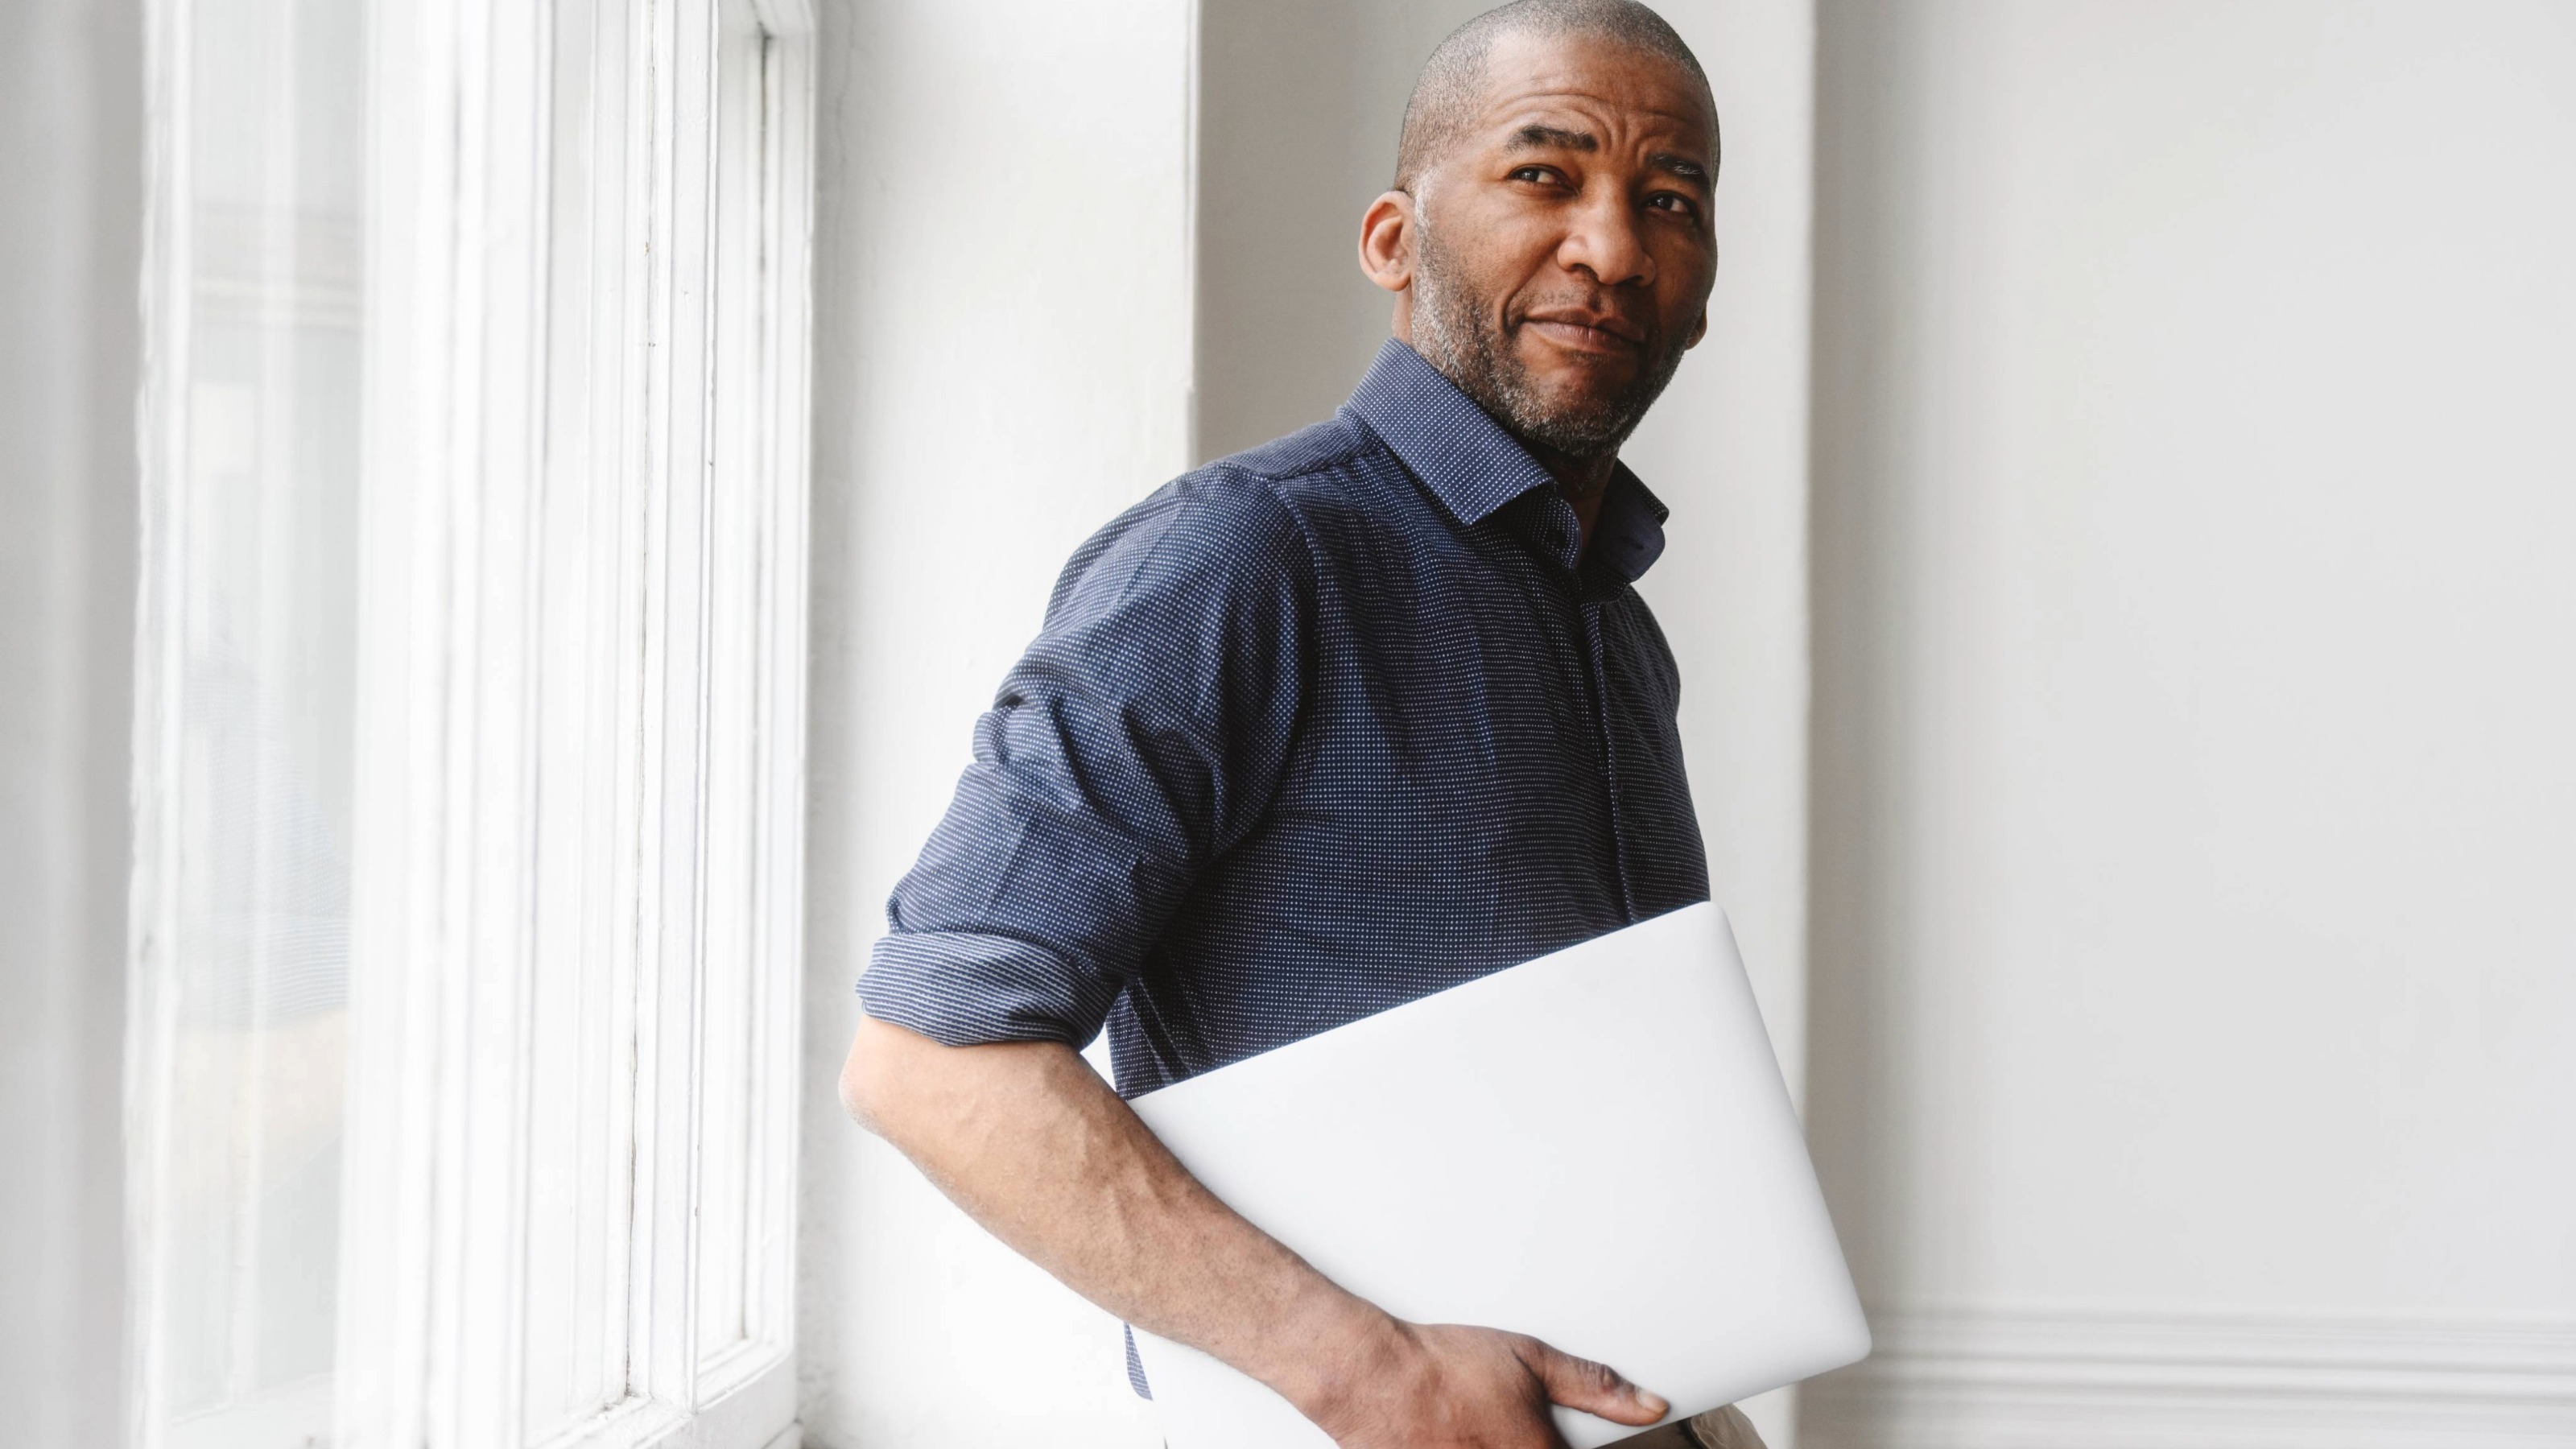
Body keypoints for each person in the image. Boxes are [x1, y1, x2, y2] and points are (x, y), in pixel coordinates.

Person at [841, 2, 1760, 1444]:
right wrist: (1373, 1373)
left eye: (1669, 201)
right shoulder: (1240, 558)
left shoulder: (1612, 627)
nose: (1613, 247)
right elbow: (932, 1064)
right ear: (1395, 241)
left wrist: (1702, 1415)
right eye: (1544, 174)